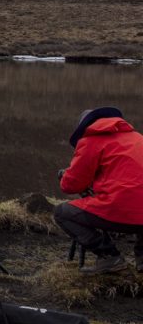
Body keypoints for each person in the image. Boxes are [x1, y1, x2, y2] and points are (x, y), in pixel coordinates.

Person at [53, 107, 143, 274]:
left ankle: (110, 257)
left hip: (121, 210)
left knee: (62, 213)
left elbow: (71, 185)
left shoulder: (91, 140)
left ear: (84, 127)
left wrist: (65, 175)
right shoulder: (138, 138)